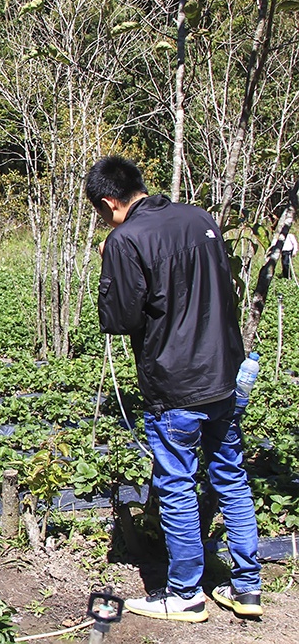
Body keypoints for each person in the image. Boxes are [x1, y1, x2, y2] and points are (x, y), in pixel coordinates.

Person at [87, 156, 262, 621]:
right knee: (231, 478)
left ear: (109, 202)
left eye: (102, 214)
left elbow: (119, 319)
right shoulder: (200, 218)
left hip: (175, 383)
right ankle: (247, 588)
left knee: (178, 485)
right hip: (224, 373)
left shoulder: (124, 239)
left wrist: (111, 269)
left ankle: (185, 593)